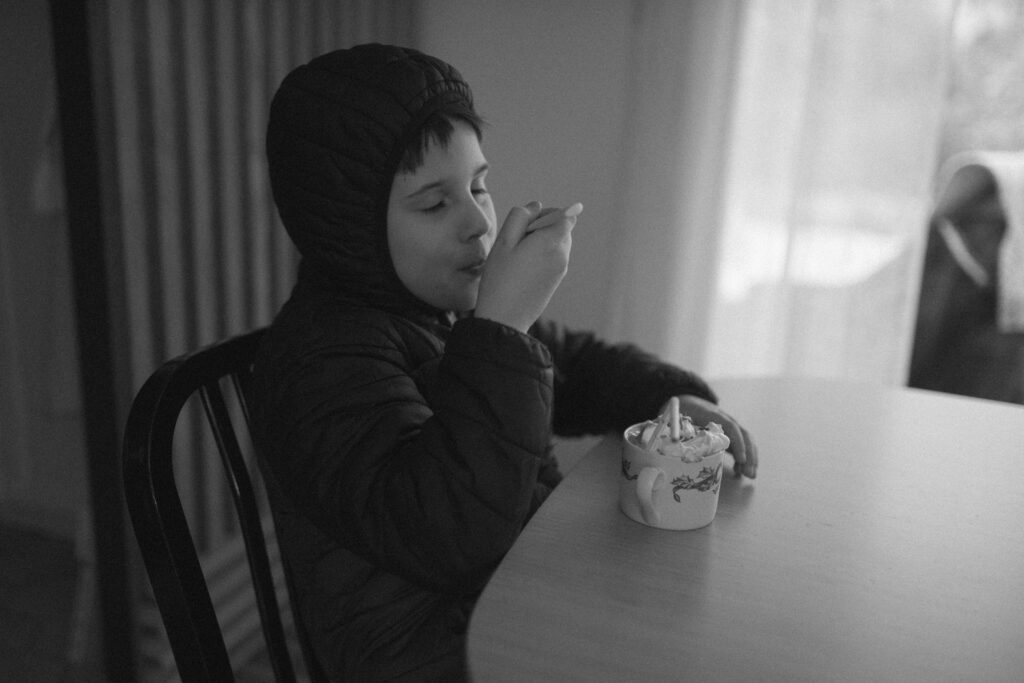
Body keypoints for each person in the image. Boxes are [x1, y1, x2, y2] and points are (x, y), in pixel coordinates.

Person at [252, 43, 758, 681]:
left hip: (517, 594)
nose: (477, 222)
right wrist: (500, 328)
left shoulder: (440, 308)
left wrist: (669, 400)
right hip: (440, 655)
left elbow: (571, 364)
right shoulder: (318, 361)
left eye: (480, 186)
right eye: (435, 204)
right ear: (349, 231)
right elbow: (451, 537)